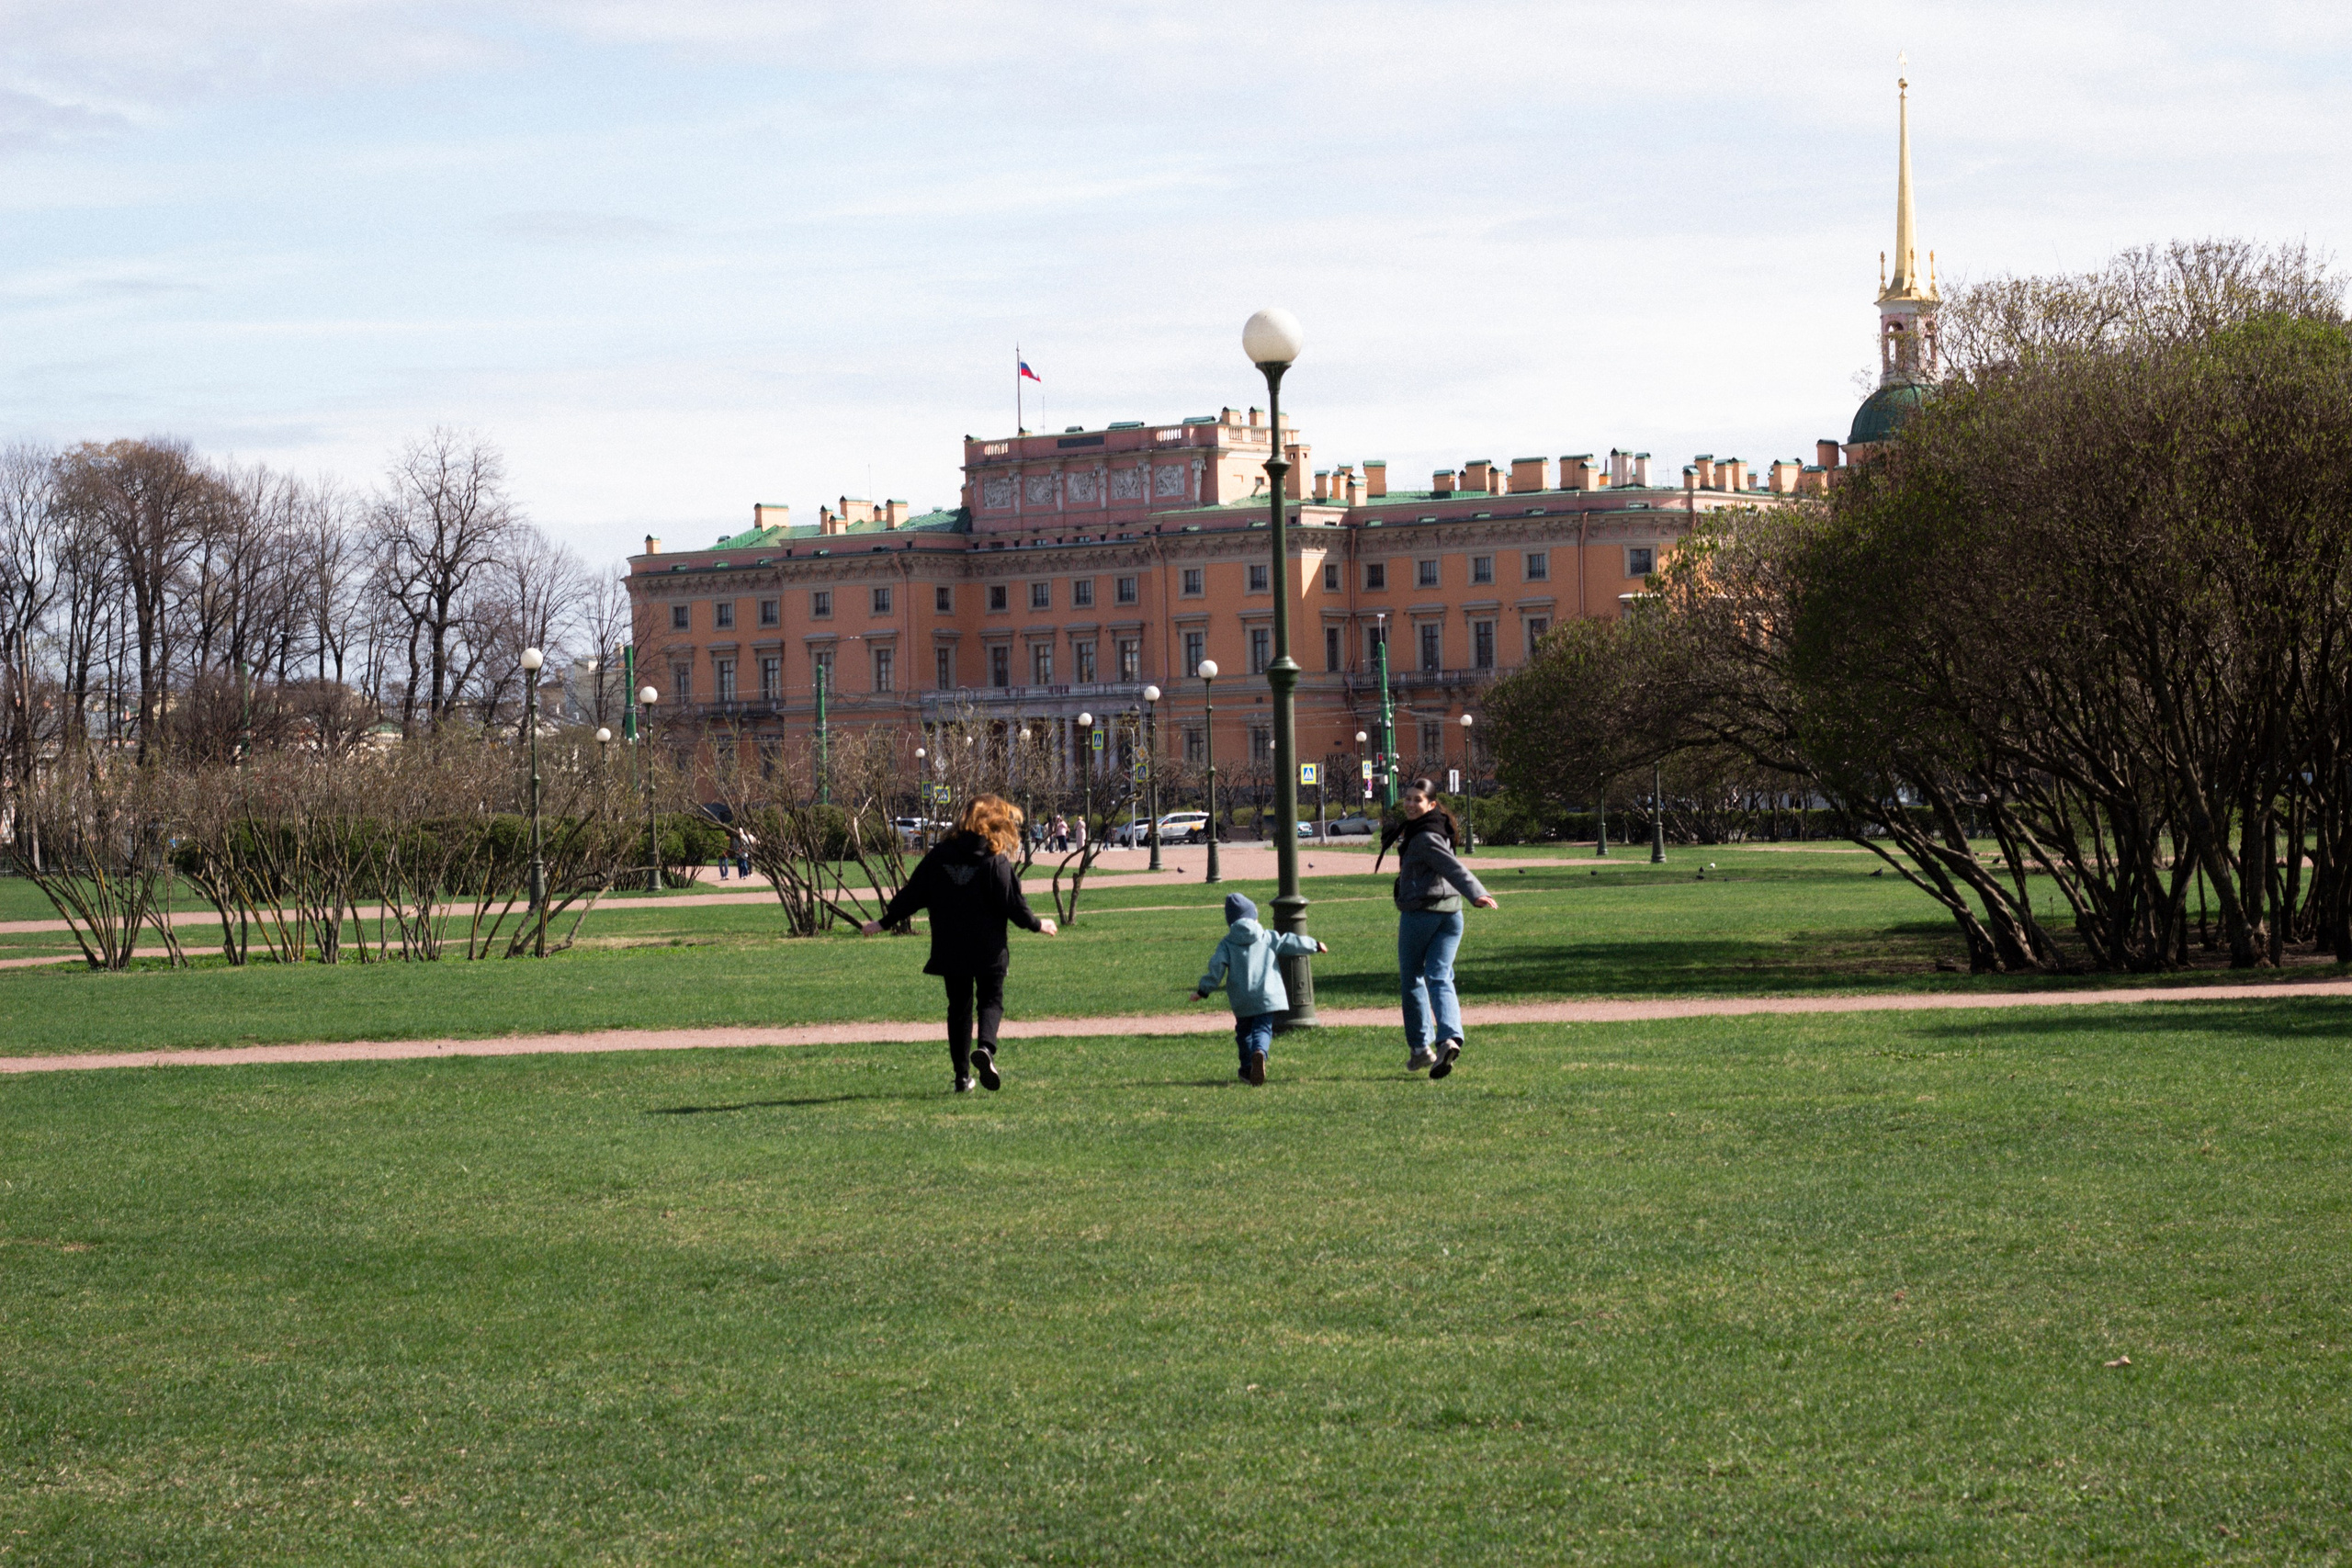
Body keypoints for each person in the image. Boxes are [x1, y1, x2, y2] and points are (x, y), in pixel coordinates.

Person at [862, 794, 1058, 1092]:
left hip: (951, 950)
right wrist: (1038, 924)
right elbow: (1014, 905)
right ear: (995, 824)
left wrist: (883, 923)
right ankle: (986, 1050)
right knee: (991, 1000)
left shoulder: (940, 856)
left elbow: (913, 892)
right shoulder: (995, 862)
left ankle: (962, 1077)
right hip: (989, 950)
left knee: (959, 1008)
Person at [1378, 778, 1498, 1078]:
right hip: (1451, 914)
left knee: (1413, 978)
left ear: (1431, 805)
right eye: (1407, 799)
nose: (1409, 804)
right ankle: (1449, 1039)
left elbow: (1451, 866)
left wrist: (1476, 892)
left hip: (1424, 913)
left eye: (1417, 800)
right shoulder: (1434, 828)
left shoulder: (1425, 836)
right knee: (1439, 975)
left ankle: (1420, 1048)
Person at [1191, 892, 1325, 1086]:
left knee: (1244, 1032)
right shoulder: (1268, 937)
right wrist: (1315, 945)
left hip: (1241, 999)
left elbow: (1216, 969)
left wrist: (1203, 991)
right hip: (1267, 996)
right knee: (1262, 1028)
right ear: (1253, 916)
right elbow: (1290, 942)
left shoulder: (1227, 943)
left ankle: (1247, 1069)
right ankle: (1260, 1052)